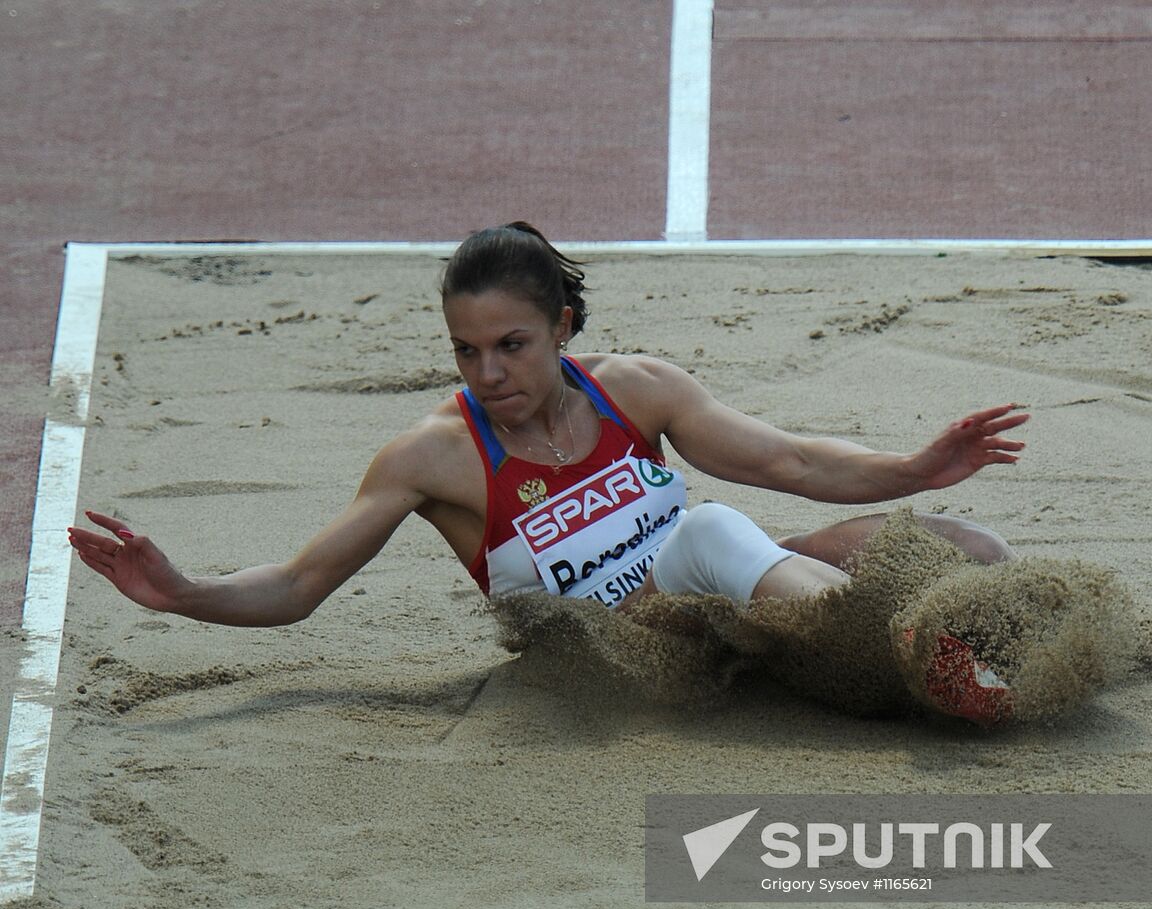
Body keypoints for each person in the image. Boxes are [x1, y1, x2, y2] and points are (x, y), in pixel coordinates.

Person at [67, 222, 1028, 720]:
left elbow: (792, 461)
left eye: (511, 346)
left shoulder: (634, 390)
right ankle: (915, 659)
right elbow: (299, 583)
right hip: (621, 653)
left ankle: (947, 649)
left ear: (562, 328)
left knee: (963, 548)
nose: (488, 374)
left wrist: (913, 469)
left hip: (714, 588)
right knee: (709, 529)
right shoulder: (431, 456)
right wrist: (183, 592)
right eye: (466, 351)